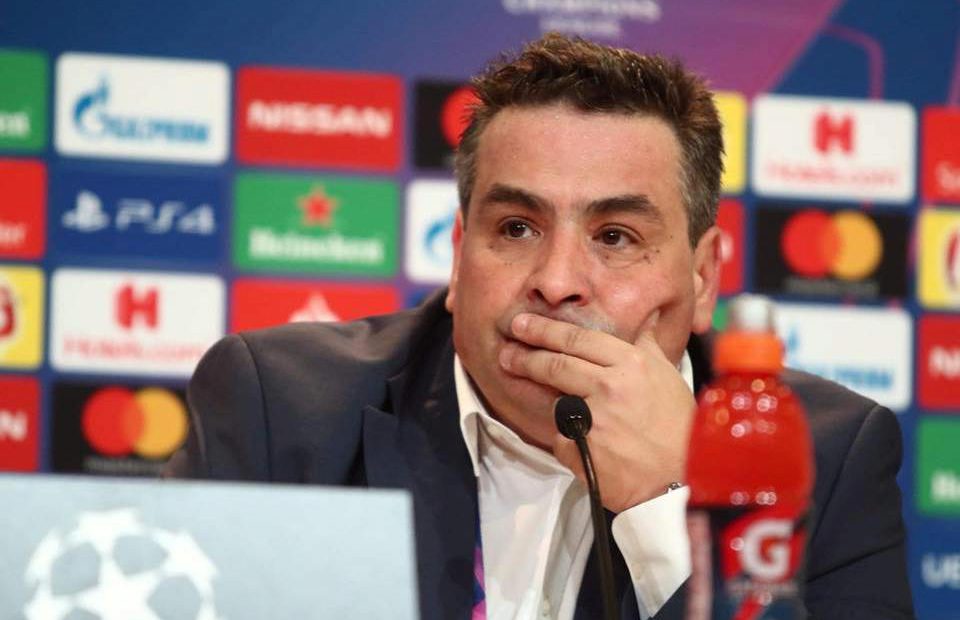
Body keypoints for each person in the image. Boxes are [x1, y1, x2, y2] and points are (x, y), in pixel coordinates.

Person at [165, 33, 914, 619]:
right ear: (460, 254)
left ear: (701, 277)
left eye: (615, 236)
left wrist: (671, 504)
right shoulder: (278, 409)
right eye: (516, 228)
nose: (555, 282)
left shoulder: (823, 460)